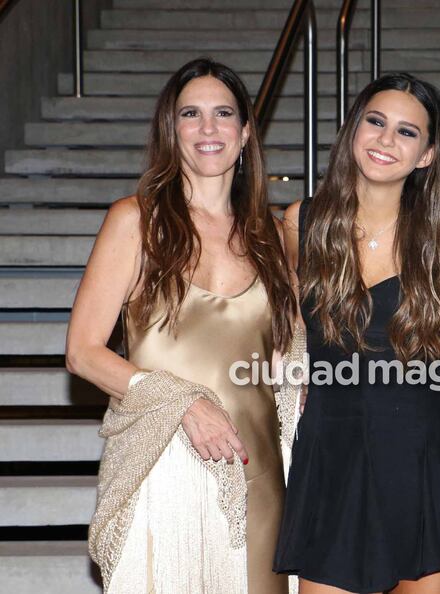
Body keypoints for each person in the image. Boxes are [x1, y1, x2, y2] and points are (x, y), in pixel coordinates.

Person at [65, 58, 295, 593]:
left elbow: (285, 353)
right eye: (191, 114)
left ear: (245, 133)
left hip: (258, 468)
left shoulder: (274, 234)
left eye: (223, 114)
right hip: (163, 461)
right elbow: (82, 351)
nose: (208, 127)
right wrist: (183, 401)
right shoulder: (136, 220)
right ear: (172, 130)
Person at [273, 73, 440, 594]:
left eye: (407, 132)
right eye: (376, 121)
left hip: (423, 456)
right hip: (332, 455)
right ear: (354, 130)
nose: (386, 140)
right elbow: (289, 331)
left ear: (427, 155)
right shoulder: (303, 224)